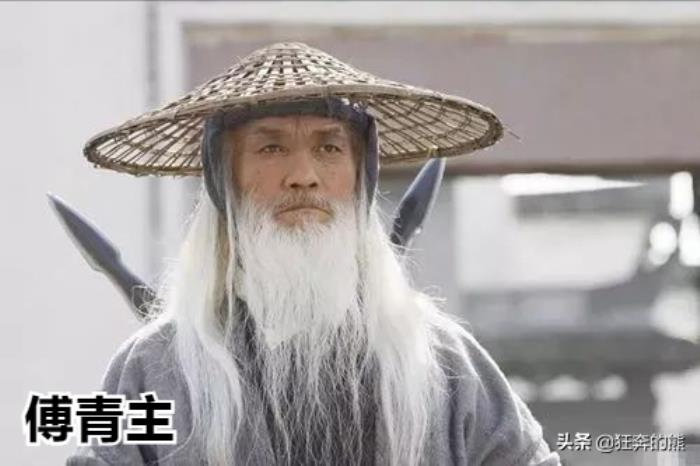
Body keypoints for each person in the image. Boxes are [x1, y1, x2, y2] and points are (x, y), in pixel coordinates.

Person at [68, 42, 561, 466]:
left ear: (361, 177)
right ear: (225, 180)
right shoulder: (155, 366)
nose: (303, 176)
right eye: (271, 149)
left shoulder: (443, 360)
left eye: (329, 148)